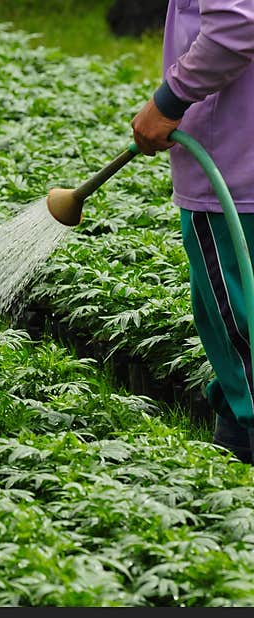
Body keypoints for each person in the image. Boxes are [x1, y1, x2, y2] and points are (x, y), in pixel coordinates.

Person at [132, 0, 254, 465]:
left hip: (233, 171)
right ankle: (235, 431)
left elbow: (235, 25)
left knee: (238, 324)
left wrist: (168, 100)